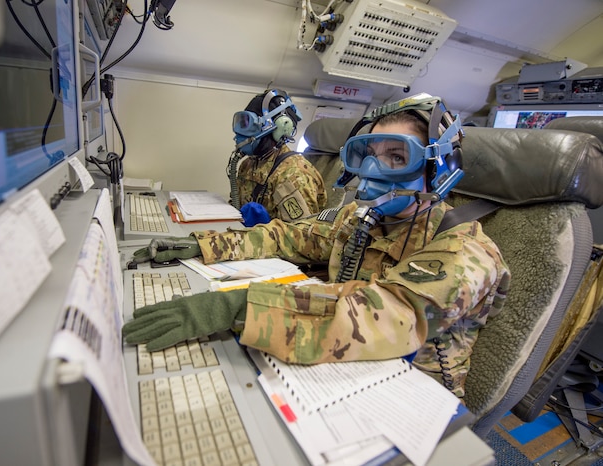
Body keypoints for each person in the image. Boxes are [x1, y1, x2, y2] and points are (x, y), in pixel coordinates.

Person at [123, 93, 511, 398]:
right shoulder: (359, 218)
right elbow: (292, 235)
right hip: (345, 365)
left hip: (411, 393)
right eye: (369, 154)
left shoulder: (465, 253)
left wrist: (236, 306)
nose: (374, 170)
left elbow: (386, 314)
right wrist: (205, 245)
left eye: (396, 156)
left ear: (438, 168)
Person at [228, 89, 327, 226]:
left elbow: (299, 239)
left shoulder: (294, 176)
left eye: (250, 125)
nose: (238, 136)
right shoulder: (248, 164)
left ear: (278, 129)